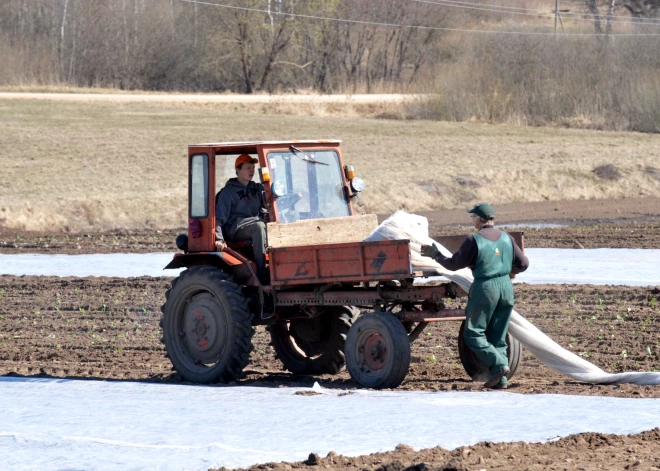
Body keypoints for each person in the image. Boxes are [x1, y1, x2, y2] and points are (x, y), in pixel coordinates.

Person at [421, 203, 529, 389]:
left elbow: (454, 265)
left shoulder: (474, 240)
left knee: (472, 333)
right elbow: (524, 264)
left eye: (473, 218)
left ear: (479, 220)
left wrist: (436, 255)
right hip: (506, 287)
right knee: (498, 335)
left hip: (485, 289)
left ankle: (499, 364)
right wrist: (505, 271)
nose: (472, 221)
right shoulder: (506, 238)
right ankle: (501, 379)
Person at [215, 154, 268, 283]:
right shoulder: (227, 192)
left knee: (272, 225)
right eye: (248, 168)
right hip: (237, 228)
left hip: (256, 222)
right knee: (259, 227)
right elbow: (219, 217)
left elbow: (268, 203)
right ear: (238, 170)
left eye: (253, 168)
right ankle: (262, 272)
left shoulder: (257, 188)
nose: (251, 171)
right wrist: (219, 239)